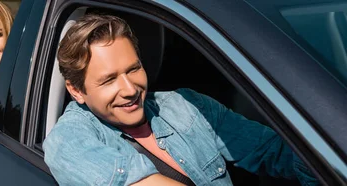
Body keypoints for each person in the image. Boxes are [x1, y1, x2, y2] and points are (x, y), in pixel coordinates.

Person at [43, 14, 319, 186]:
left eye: (134, 69)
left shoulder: (187, 106)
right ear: (76, 90)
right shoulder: (69, 139)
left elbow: (278, 152)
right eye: (108, 80)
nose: (130, 89)